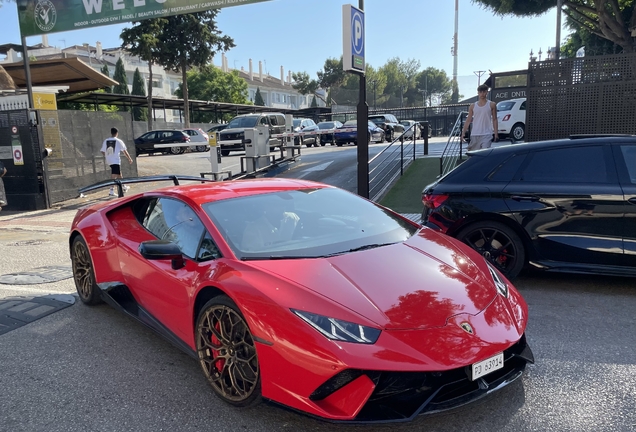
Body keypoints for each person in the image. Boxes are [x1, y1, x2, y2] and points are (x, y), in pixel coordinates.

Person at [461, 84, 498, 151]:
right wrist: (463, 132)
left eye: (484, 92)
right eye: (480, 92)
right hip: (475, 134)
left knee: (484, 153)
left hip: (487, 134)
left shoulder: (492, 104)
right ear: (478, 93)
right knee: (474, 155)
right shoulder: (473, 106)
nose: (482, 94)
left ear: (487, 92)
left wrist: (496, 134)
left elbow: (495, 119)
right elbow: (468, 120)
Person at [100, 127, 133, 196]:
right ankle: (111, 190)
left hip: (109, 160)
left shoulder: (106, 140)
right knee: (114, 175)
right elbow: (124, 151)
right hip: (115, 160)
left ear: (111, 133)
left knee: (118, 173)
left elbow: (102, 151)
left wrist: (108, 156)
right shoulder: (118, 141)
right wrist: (129, 158)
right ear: (117, 133)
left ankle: (123, 186)